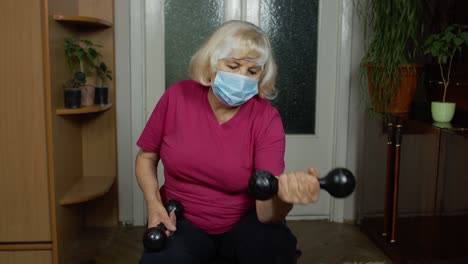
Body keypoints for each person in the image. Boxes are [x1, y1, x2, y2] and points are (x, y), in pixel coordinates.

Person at [136, 20, 320, 264]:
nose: (242, 77)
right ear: (211, 65)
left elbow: (266, 213)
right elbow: (146, 157)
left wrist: (286, 198)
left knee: (275, 252)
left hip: (245, 223)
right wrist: (153, 204)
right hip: (182, 220)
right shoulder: (177, 97)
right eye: (233, 66)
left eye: (252, 71)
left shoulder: (266, 118)